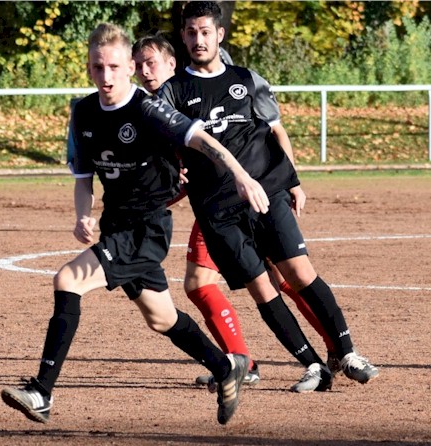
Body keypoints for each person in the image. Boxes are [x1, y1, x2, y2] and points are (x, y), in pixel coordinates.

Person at [0, 22, 274, 425]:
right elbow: (82, 178)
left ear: (130, 65)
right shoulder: (83, 112)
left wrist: (241, 175)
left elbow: (205, 141)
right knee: (161, 317)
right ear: (89, 68)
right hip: (116, 226)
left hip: (146, 230)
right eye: (98, 67)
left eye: (114, 66)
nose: (106, 76)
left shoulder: (149, 108)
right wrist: (83, 214)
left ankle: (41, 392)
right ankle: (225, 367)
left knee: (68, 280)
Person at [158, 1, 379, 392]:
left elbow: (276, 130)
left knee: (300, 273)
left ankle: (347, 353)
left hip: (264, 194)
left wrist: (293, 180)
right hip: (216, 211)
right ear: (183, 37)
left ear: (219, 34)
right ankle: (313, 365)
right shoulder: (172, 92)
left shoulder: (248, 79)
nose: (198, 40)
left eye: (205, 32)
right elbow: (164, 149)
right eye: (191, 33)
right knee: (263, 289)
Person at [132, 33, 340, 390]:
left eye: (151, 63)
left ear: (172, 62)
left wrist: (287, 181)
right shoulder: (155, 111)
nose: (144, 72)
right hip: (215, 205)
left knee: (271, 278)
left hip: (242, 197)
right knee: (254, 280)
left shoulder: (199, 85)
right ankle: (261, 359)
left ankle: (303, 355)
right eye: (138, 66)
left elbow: (267, 129)